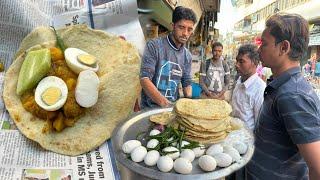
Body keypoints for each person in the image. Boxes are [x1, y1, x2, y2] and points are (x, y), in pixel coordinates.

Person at [246, 13, 320, 180]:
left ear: (284, 48)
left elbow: (317, 167)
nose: (259, 50)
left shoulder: (292, 95)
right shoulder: (282, 86)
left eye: (264, 44)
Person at [139, 6, 197, 108]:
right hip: (150, 110)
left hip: (172, 111)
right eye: (181, 27)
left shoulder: (187, 56)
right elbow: (144, 79)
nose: (185, 33)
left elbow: (186, 82)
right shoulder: (154, 46)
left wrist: (190, 101)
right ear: (172, 26)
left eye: (189, 29)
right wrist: (165, 104)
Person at [231, 44, 266, 130]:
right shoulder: (239, 80)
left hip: (247, 140)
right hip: (233, 135)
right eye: (237, 61)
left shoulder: (260, 88)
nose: (237, 65)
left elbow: (260, 124)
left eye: (241, 61)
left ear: (254, 63)